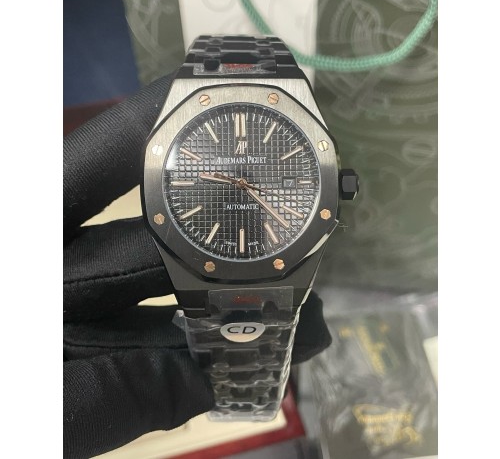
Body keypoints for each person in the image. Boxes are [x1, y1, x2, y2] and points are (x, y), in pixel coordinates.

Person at [63, 75, 332, 458]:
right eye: (236, 181)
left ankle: (244, 397)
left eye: (245, 182)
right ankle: (243, 398)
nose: (242, 183)